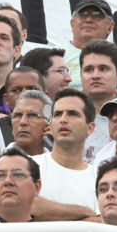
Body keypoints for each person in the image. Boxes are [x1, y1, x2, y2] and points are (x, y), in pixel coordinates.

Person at [32, 88, 99, 221]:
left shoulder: (100, 178)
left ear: (90, 128)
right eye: (57, 114)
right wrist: (85, 212)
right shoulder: (30, 165)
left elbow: (104, 223)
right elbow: (24, 205)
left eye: (73, 114)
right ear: (50, 126)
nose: (63, 119)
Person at [63, 0, 117, 90]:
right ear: (72, 24)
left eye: (97, 15)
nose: (88, 20)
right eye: (82, 15)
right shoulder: (55, 57)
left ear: (110, 27)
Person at [80, 40, 117, 162]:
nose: (95, 75)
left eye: (103, 69)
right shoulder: (65, 117)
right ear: (80, 76)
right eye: (88, 70)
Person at [0, 66, 46, 146]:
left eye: (32, 89)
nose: (24, 95)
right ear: (6, 99)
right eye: (16, 90)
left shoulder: (57, 130)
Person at [8, 90, 51, 156]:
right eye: (18, 115)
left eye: (33, 115)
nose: (23, 122)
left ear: (48, 124)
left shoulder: (59, 164)